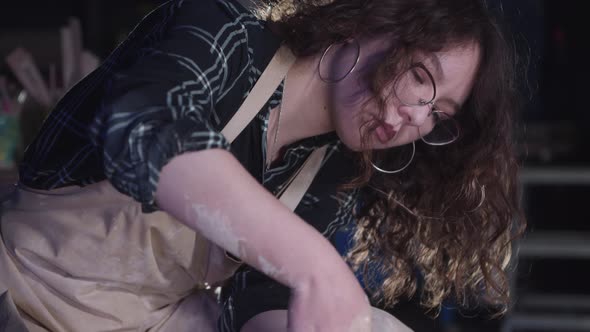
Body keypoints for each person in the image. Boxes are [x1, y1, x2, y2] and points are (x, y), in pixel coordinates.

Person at [0, 0, 524, 331]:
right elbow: (143, 131)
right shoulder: (225, 30)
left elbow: (259, 304)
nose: (416, 116)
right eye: (420, 77)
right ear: (372, 20)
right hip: (21, 294)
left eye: (439, 114)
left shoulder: (329, 169)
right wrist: (316, 267)